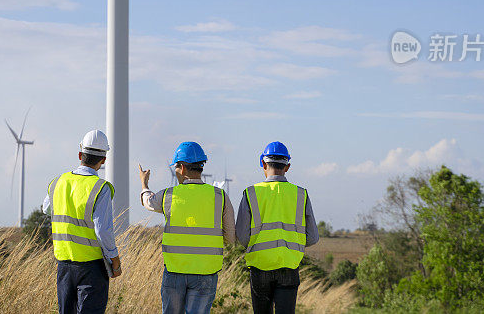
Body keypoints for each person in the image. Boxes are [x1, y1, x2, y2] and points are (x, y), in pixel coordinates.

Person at [138, 141, 236, 314]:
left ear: (182, 168)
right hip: (206, 272)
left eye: (176, 167)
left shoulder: (169, 195)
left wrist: (144, 184)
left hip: (175, 271)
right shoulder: (220, 196)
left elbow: (148, 202)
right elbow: (230, 238)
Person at [42, 129, 122, 314]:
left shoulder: (58, 182)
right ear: (104, 160)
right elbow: (103, 231)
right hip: (91, 268)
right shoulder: (100, 188)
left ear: (80, 154)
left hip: (64, 265)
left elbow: (46, 208)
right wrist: (115, 261)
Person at [235, 141, 319, 314]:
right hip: (289, 267)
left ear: (263, 164)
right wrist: (293, 244)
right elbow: (312, 237)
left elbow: (242, 237)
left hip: (259, 268)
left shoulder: (251, 193)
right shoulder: (301, 194)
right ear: (287, 166)